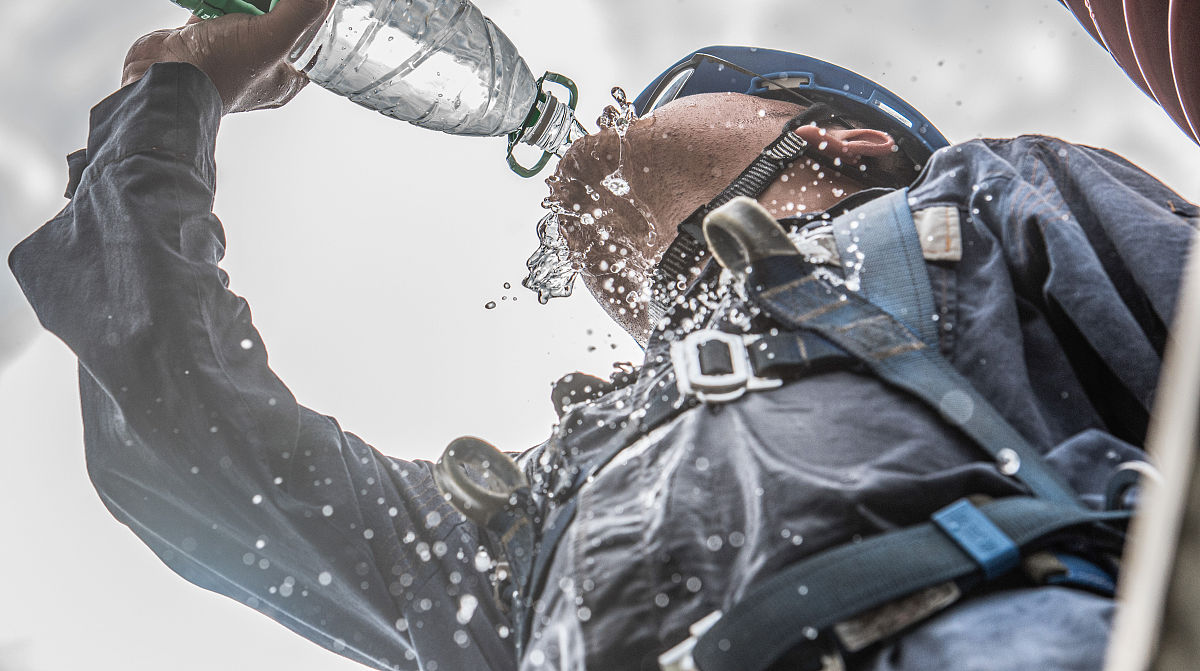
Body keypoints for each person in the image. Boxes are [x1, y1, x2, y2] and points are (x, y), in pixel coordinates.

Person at [8, 2, 1197, 670]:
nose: (624, 109)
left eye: (687, 87)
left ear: (843, 144)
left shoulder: (977, 210)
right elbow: (186, 442)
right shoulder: (532, 512)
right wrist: (171, 108)